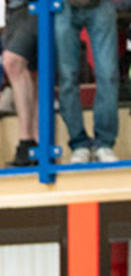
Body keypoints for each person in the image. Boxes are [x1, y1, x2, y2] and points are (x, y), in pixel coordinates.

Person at [55, 0, 119, 163]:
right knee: (67, 76)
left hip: (100, 4)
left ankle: (104, 143)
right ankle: (79, 144)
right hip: (63, 5)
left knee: (108, 74)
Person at [0, 0, 38, 166]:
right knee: (31, 74)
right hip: (15, 9)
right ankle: (38, 144)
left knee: (13, 62)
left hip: (38, 5)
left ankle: (27, 141)